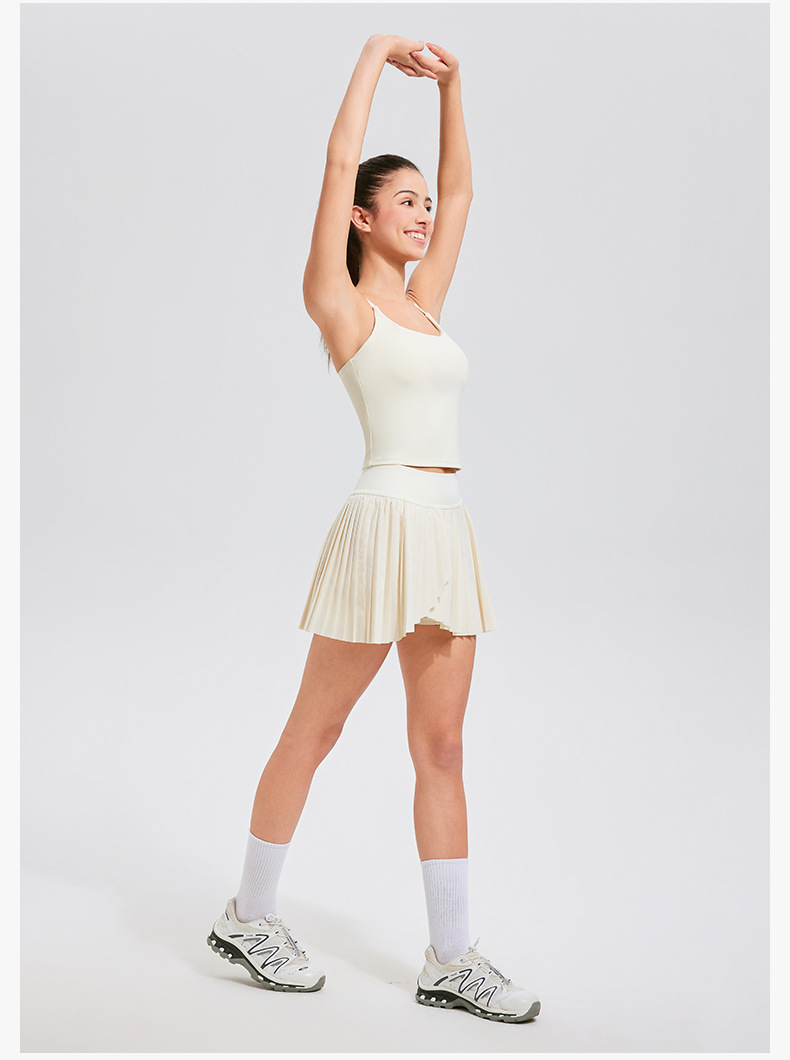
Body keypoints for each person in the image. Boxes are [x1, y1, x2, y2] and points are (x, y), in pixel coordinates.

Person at [207, 34, 541, 1024]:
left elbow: (466, 192)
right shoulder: (342, 305)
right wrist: (373, 55)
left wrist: (454, 86)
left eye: (422, 203)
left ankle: (452, 957)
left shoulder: (426, 306)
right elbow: (336, 159)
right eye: (404, 201)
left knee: (442, 749)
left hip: (445, 527)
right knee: (316, 728)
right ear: (362, 217)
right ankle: (249, 914)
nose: (424, 212)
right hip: (381, 522)